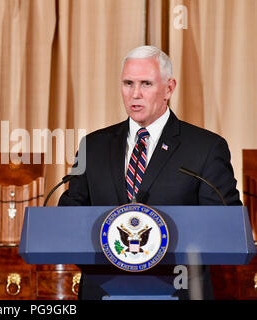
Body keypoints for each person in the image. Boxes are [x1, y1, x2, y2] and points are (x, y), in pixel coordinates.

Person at [58, 45, 241, 299]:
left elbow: (225, 225)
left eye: (146, 84)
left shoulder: (206, 148)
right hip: (104, 290)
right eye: (128, 83)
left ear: (169, 88)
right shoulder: (91, 146)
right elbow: (68, 216)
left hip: (177, 290)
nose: (135, 94)